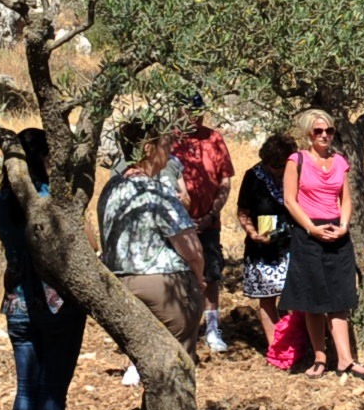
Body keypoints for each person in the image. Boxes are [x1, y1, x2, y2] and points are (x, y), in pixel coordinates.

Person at [0, 128, 85, 410]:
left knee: (27, 389)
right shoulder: (49, 199)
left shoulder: (0, 203)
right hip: (57, 304)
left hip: (17, 305)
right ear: (43, 158)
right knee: (52, 390)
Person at [97, 114, 206, 358]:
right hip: (164, 285)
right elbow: (192, 249)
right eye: (166, 144)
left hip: (120, 284)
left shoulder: (111, 187)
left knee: (147, 363)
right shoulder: (157, 190)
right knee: (176, 364)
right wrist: (198, 279)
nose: (169, 151)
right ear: (148, 148)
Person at [278, 109, 364, 379]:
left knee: (339, 297)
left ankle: (345, 359)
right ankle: (320, 358)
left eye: (328, 131)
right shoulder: (296, 160)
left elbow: (347, 199)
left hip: (336, 232)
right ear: (309, 133)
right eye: (318, 131)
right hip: (308, 233)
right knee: (313, 299)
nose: (324, 136)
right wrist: (311, 228)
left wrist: (343, 227)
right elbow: (289, 200)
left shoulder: (340, 161)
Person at [170, 100, 237, 354]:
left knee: (211, 274)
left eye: (198, 112)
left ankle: (212, 328)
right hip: (176, 223)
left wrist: (212, 214)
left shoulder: (213, 138)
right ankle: (182, 328)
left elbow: (225, 180)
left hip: (208, 222)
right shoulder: (168, 138)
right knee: (177, 274)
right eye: (189, 111)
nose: (194, 118)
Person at [235, 131, 301, 368]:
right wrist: (252, 232)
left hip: (292, 245)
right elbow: (243, 211)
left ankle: (295, 345)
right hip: (261, 249)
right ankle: (276, 349)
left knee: (294, 299)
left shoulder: (295, 174)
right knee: (267, 299)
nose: (276, 170)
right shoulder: (252, 177)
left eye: (280, 165)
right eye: (272, 165)